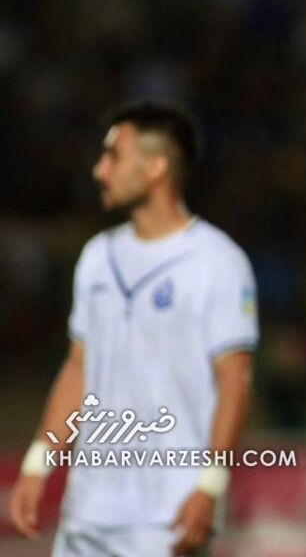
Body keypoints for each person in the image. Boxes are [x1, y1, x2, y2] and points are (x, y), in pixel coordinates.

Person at [8, 100, 258, 557]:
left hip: (167, 517)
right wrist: (38, 463)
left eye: (113, 157)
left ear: (156, 167)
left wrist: (210, 487)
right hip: (87, 513)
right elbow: (78, 369)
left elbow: (235, 382)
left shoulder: (218, 262)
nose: (99, 170)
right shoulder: (97, 257)